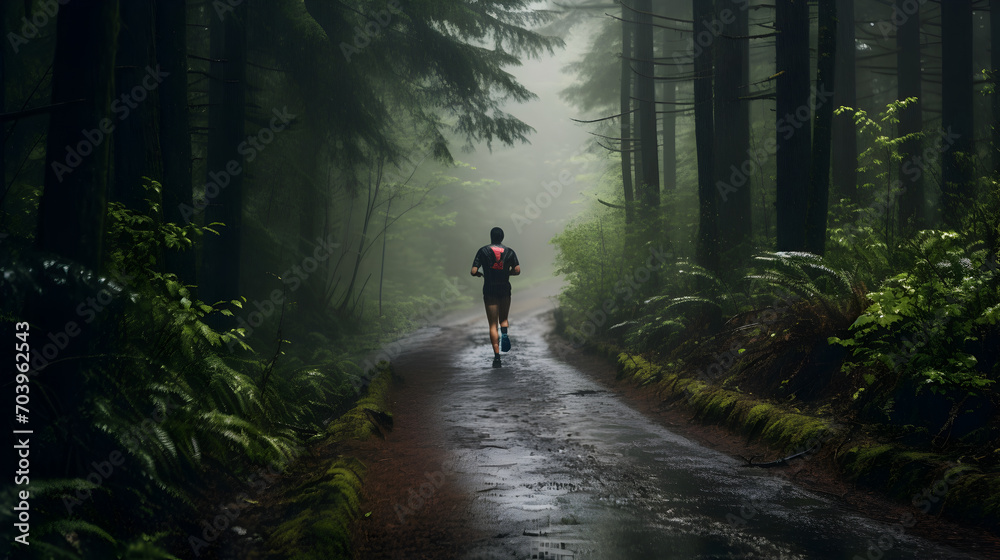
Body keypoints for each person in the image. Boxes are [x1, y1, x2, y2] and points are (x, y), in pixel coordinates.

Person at [471, 227, 520, 368]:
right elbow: (517, 270)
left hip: (490, 289)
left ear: (491, 237)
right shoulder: (510, 252)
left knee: (492, 325)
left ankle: (497, 357)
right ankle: (504, 332)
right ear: (502, 237)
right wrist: (506, 272)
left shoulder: (483, 251)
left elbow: (473, 271)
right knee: (503, 319)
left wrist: (480, 274)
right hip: (504, 288)